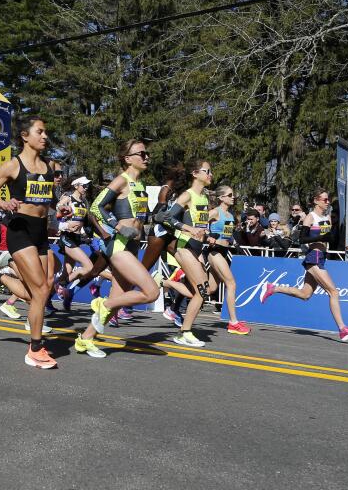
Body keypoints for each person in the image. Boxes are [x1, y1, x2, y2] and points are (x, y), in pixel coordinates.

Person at [0, 115, 59, 369]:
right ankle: (35, 348)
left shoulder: (49, 165)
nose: (45, 136)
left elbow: (46, 201)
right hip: (19, 229)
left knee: (42, 291)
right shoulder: (13, 165)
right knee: (41, 291)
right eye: (40, 132)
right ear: (25, 136)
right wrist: (3, 203)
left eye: (45, 132)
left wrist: (58, 211)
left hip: (41, 231)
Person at [78, 139, 159, 353]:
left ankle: (85, 338)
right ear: (128, 159)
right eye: (142, 154)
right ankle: (102, 304)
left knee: (117, 301)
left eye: (146, 153)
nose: (146, 157)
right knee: (152, 292)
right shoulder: (121, 180)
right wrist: (116, 226)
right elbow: (96, 206)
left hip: (133, 246)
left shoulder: (140, 185)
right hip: (119, 246)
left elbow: (139, 217)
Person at [261, 188, 348, 341]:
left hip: (321, 257)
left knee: (305, 295)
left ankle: (273, 288)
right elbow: (302, 239)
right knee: (334, 292)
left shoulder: (327, 218)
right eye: (324, 200)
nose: (327, 202)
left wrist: (330, 237)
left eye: (328, 200)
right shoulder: (310, 217)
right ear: (316, 201)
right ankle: (343, 329)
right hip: (313, 257)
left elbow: (328, 239)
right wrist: (323, 236)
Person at [156, 158, 214, 347]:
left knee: (200, 291)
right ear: (195, 174)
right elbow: (164, 217)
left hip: (197, 249)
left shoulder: (204, 198)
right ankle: (185, 333)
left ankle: (161, 282)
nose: (210, 174)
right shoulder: (187, 196)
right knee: (202, 291)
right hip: (184, 247)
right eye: (207, 171)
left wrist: (208, 237)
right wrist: (187, 228)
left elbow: (201, 227)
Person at [206, 185, 250, 335]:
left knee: (210, 289)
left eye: (233, 195)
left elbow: (227, 235)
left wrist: (234, 242)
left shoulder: (230, 216)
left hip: (224, 251)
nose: (233, 197)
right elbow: (198, 224)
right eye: (230, 195)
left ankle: (169, 287)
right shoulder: (215, 212)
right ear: (221, 198)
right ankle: (233, 323)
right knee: (231, 284)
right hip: (214, 252)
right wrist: (208, 236)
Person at [53, 176, 94, 309]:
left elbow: (82, 222)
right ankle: (62, 286)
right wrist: (64, 218)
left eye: (87, 186)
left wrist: (85, 235)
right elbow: (58, 209)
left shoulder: (84, 201)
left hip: (77, 238)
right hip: (67, 237)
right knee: (88, 267)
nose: (86, 188)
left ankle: (47, 298)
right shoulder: (68, 197)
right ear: (76, 186)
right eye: (84, 185)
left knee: (66, 273)